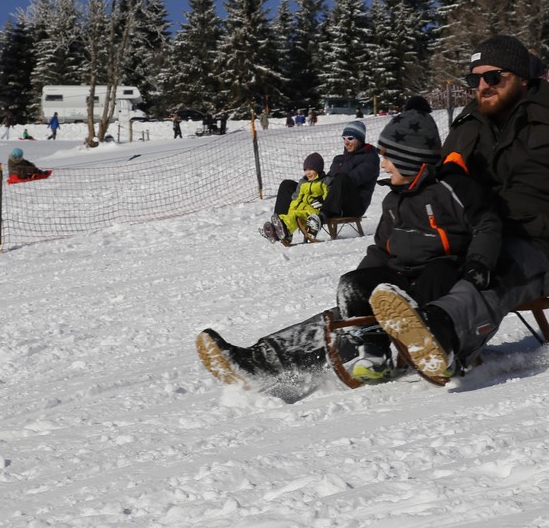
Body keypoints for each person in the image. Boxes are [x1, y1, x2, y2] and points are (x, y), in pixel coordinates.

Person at [365, 34, 549, 385]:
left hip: (536, 246)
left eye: (493, 77)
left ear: (522, 77)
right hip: (475, 235)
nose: (483, 86)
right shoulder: (467, 126)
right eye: (474, 79)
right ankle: (356, 336)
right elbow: (439, 186)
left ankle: (442, 333)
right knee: (418, 265)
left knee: (493, 273)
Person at [200, 109, 502, 393]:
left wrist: (479, 265)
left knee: (433, 275)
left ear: (409, 159)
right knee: (350, 290)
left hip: (441, 275)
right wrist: (359, 285)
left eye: (388, 158)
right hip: (398, 279)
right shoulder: (394, 200)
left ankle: (428, 341)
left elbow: (487, 225)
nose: (383, 165)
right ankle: (261, 361)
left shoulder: (453, 189)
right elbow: (381, 248)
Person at [261, 153, 328, 245]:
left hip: (312, 210)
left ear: (318, 169)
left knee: (295, 217)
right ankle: (276, 231)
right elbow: (296, 198)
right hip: (300, 208)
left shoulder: (324, 182)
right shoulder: (303, 182)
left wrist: (322, 202)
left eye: (311, 169)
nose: (308, 173)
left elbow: (328, 197)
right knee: (290, 216)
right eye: (305, 170)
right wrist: (292, 209)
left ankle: (282, 230)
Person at [320, 119, 378, 220]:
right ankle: (288, 221)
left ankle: (322, 216)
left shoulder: (370, 158)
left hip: (354, 206)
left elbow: (352, 179)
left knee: (342, 178)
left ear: (360, 139)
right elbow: (328, 179)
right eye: (344, 138)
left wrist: (330, 183)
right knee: (292, 185)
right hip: (331, 199)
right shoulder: (339, 159)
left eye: (350, 138)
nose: (346, 142)